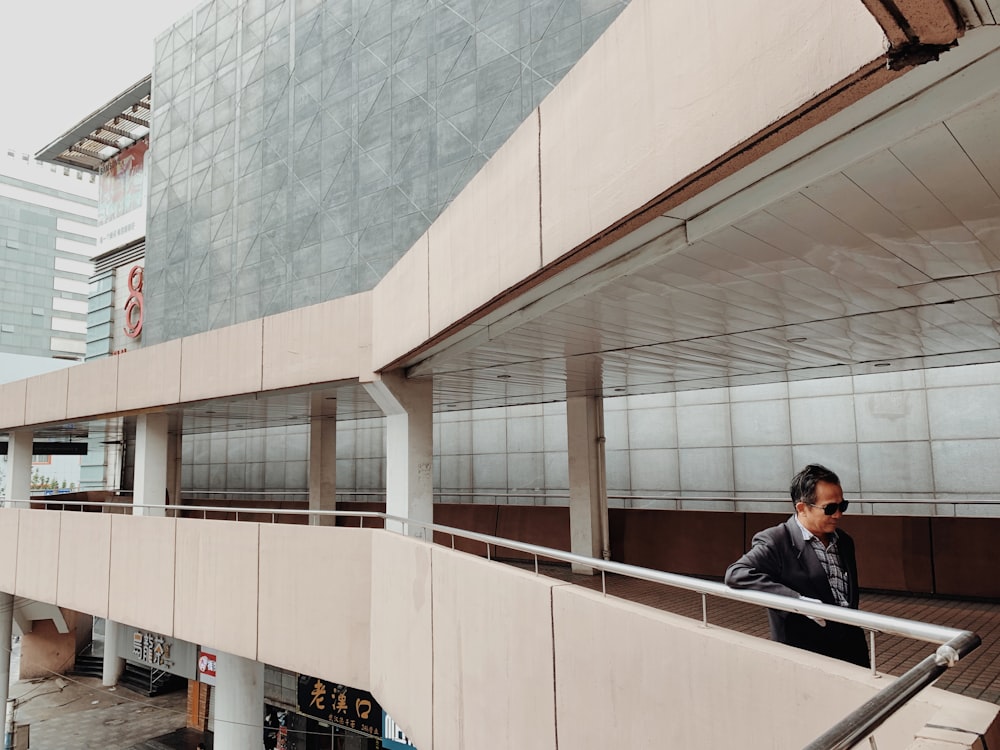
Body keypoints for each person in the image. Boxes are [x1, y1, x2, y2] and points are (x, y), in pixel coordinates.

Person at [724, 463, 869, 666]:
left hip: (853, 652)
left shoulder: (844, 540)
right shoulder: (777, 540)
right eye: (830, 508)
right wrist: (797, 602)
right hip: (805, 656)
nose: (838, 515)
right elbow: (737, 573)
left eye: (842, 506)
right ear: (802, 508)